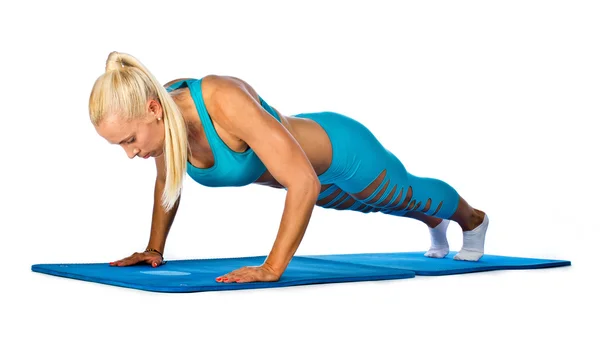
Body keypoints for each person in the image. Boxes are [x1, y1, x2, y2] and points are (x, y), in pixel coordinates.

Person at [89, 51, 489, 284]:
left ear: (153, 110)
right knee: (375, 206)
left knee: (401, 193)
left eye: (129, 141)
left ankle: (472, 220)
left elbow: (303, 181)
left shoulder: (220, 99)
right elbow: (167, 182)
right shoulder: (165, 124)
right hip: (301, 174)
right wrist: (154, 249)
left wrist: (273, 267)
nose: (130, 154)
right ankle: (431, 222)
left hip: (341, 150)